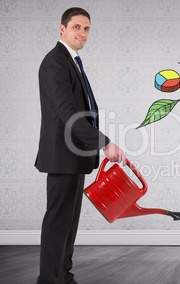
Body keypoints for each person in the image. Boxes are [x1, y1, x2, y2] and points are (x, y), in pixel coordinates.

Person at [35, 7, 126, 283]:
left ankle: (63, 275)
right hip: (62, 156)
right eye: (76, 27)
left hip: (73, 156)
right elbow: (67, 113)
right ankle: (50, 280)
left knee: (68, 225)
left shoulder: (71, 61)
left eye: (86, 29)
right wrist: (104, 143)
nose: (82, 34)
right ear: (62, 29)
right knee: (57, 223)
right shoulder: (55, 62)